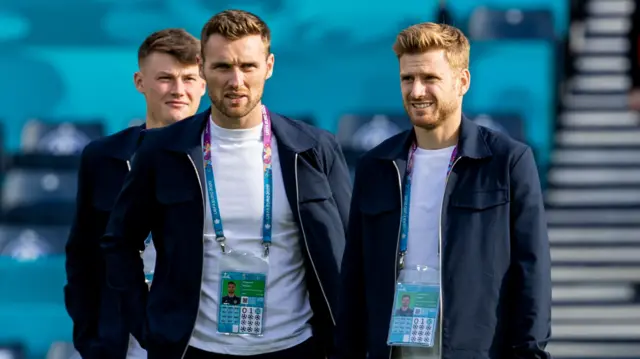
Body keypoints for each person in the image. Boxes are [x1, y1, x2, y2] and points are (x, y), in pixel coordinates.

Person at [100, 9, 351, 359]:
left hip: (296, 347)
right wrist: (148, 327)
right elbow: (120, 242)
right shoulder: (162, 151)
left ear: (269, 66)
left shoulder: (312, 148)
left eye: (248, 66)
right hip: (196, 349)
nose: (236, 81)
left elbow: (351, 250)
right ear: (202, 67)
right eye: (222, 67)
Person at [335, 22, 551, 359]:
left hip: (475, 346)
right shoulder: (376, 165)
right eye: (408, 79)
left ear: (462, 81)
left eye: (430, 79)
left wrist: (528, 352)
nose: (417, 91)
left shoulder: (508, 161)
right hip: (395, 341)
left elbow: (532, 270)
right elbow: (353, 274)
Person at [64, 28, 206, 359]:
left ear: (203, 84)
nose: (178, 90)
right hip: (120, 341)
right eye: (165, 78)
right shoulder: (101, 157)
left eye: (189, 78)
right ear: (140, 82)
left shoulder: (225, 158)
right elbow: (82, 255)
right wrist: (90, 338)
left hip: (199, 337)